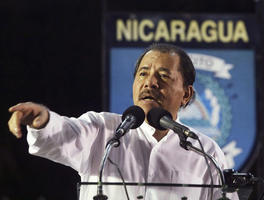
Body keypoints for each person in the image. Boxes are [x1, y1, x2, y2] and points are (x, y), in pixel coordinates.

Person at [8, 43, 238, 200]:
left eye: (164, 76)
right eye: (143, 74)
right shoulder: (102, 130)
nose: (150, 82)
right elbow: (63, 134)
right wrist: (43, 120)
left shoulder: (205, 150)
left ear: (186, 95)